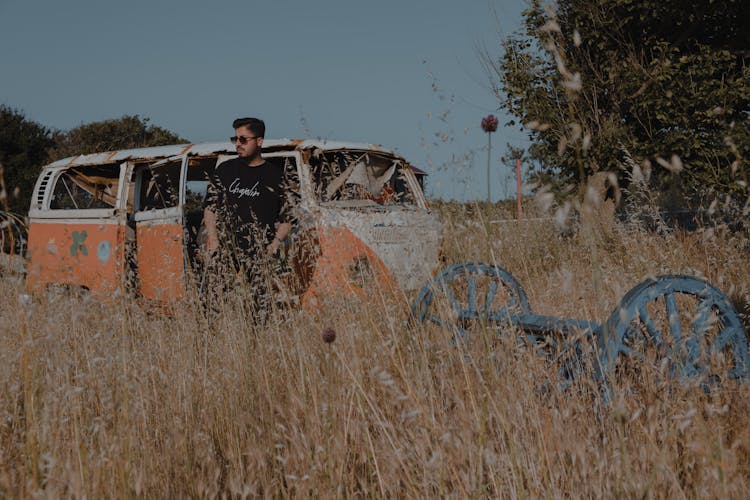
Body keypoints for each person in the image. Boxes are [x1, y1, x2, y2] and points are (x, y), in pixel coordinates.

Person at [202, 117, 292, 322]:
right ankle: (213, 343)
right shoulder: (225, 170)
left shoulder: (276, 176)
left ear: (259, 141)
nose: (237, 144)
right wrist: (213, 239)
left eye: (243, 139)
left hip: (260, 249)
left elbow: (288, 217)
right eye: (235, 139)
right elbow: (210, 208)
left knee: (260, 306)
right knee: (213, 302)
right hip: (225, 245)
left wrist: (275, 244)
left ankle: (257, 345)